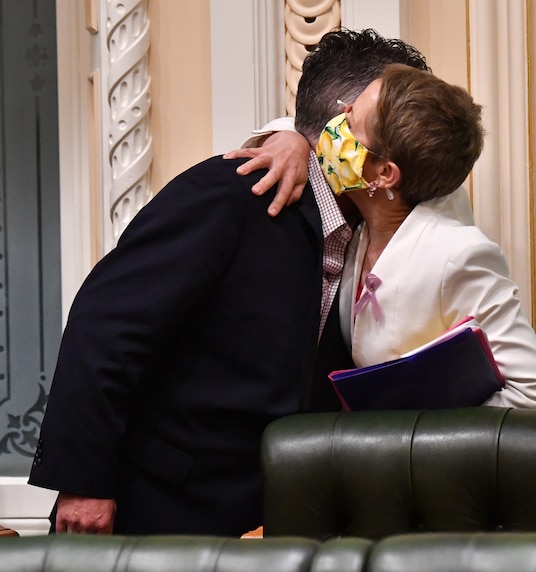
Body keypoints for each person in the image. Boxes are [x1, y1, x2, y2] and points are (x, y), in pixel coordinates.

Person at [28, 29, 432, 536]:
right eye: (401, 114)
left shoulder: (377, 231)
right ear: (348, 125)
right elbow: (105, 327)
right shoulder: (228, 195)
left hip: (267, 529)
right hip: (152, 513)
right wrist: (84, 482)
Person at [235, 64, 536, 408]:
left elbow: (535, 399)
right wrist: (291, 138)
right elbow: (309, 129)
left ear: (384, 174)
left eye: (350, 122)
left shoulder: (458, 254)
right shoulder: (363, 218)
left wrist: (410, 429)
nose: (339, 119)